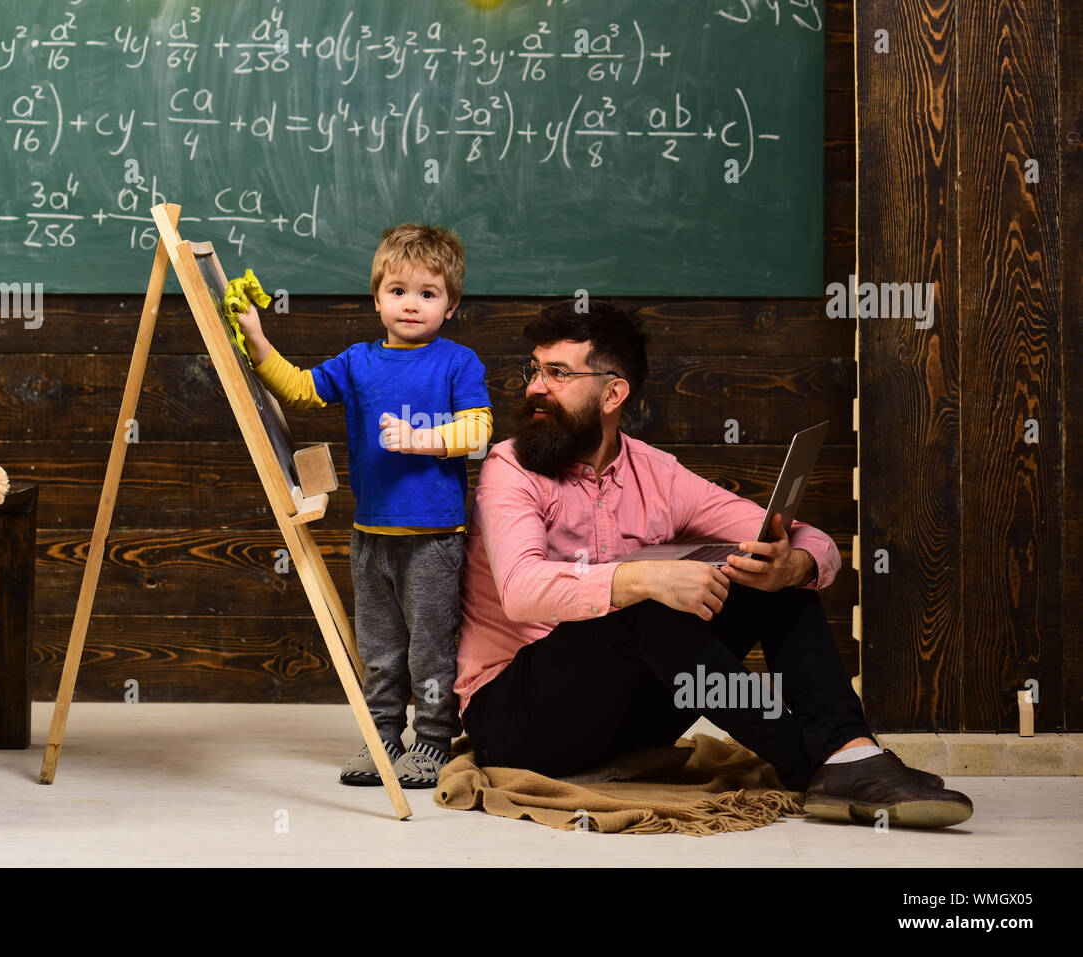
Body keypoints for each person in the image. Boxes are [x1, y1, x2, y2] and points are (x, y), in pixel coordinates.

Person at [454, 298, 973, 827]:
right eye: (535, 370)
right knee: (646, 603)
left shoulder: (658, 474)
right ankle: (813, 766)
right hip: (517, 720)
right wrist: (643, 577)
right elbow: (521, 590)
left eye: (557, 373)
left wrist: (792, 566)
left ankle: (848, 752)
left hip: (626, 723)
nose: (535, 386)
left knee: (770, 571)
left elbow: (802, 536)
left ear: (613, 392)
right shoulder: (509, 467)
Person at [237, 224, 492, 788]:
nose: (411, 303)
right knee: (377, 646)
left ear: (450, 306)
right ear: (377, 298)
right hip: (370, 534)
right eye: (398, 290)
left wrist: (421, 438)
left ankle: (431, 740)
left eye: (428, 293)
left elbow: (478, 430)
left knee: (429, 648)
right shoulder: (358, 362)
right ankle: (380, 733)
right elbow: (302, 389)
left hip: (434, 539)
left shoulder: (457, 362)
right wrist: (257, 339)